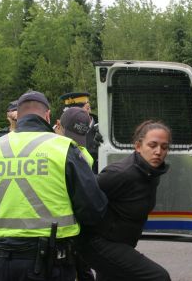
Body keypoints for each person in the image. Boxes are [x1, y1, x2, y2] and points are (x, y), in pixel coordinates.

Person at [0, 90, 107, 281]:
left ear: (17, 116)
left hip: (0, 263)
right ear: (47, 115)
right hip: (51, 263)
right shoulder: (63, 148)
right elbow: (94, 209)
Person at [78, 120, 172, 281]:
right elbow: (83, 193)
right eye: (152, 145)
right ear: (138, 146)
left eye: (164, 147)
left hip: (120, 242)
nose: (158, 152)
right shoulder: (122, 173)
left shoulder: (151, 173)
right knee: (158, 277)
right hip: (98, 243)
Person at [58, 107, 96, 281]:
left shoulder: (82, 155)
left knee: (83, 271)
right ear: (58, 125)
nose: (75, 143)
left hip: (72, 231)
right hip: (68, 231)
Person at [60, 92, 101, 173]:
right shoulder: (59, 129)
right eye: (68, 113)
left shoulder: (103, 130)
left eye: (75, 111)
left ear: (87, 108)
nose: (70, 116)